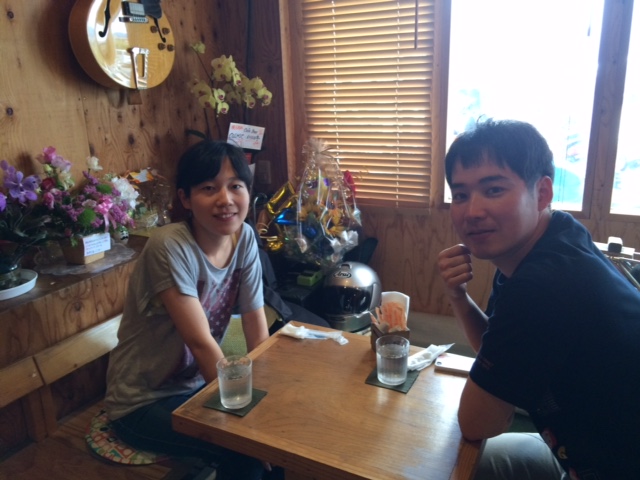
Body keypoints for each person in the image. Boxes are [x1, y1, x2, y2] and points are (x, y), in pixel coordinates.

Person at [437, 119, 640, 479]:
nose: (472, 211)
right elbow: (502, 352)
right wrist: (458, 297)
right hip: (575, 445)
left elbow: (478, 423)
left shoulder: (543, 284)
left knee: (442, 464)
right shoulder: (552, 236)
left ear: (543, 193)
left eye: (494, 189)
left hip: (614, 465)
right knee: (452, 460)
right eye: (461, 195)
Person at [105, 140, 272, 479]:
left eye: (235, 186)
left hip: (197, 386)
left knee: (283, 443)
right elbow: (200, 342)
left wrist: (269, 398)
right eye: (209, 188)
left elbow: (256, 323)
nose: (225, 199)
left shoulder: (244, 237)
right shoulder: (169, 245)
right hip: (142, 402)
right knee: (248, 454)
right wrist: (250, 424)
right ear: (185, 198)